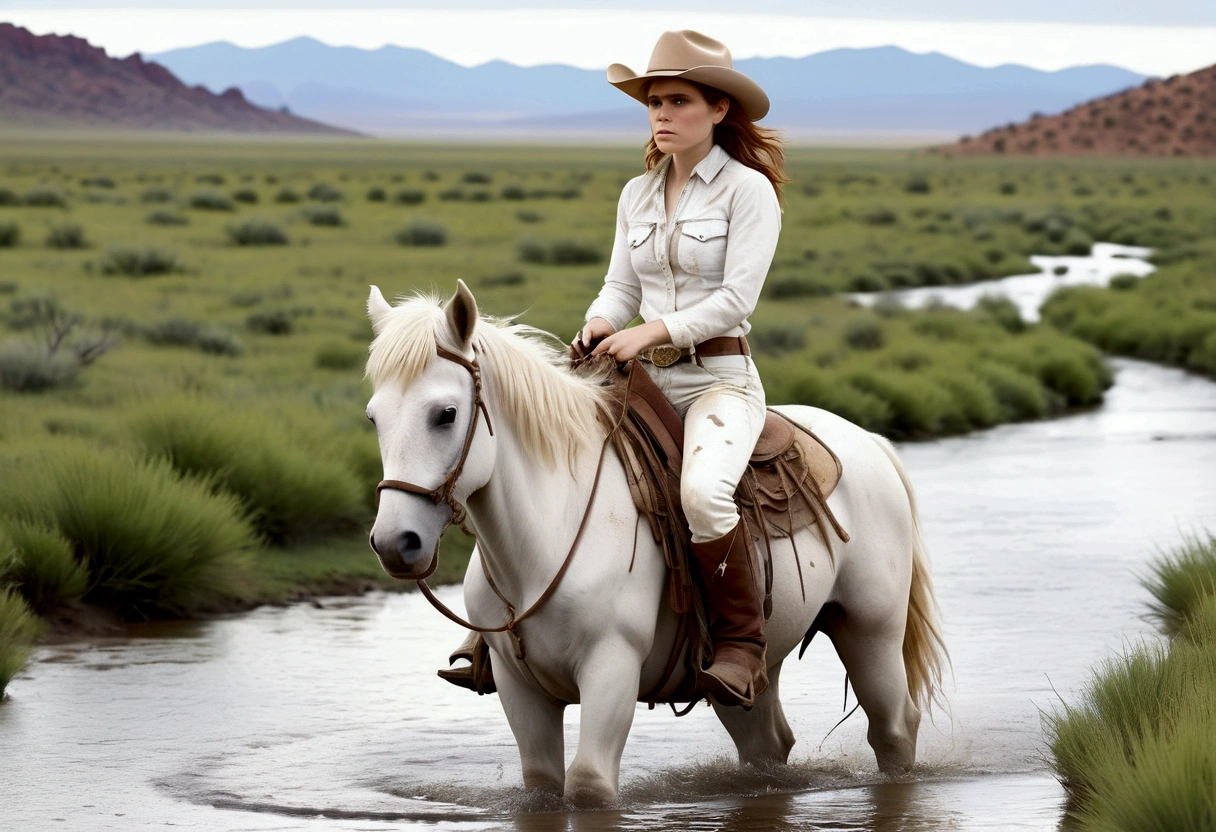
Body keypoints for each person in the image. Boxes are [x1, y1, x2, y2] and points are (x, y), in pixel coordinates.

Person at [442, 29, 786, 709]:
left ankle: (743, 645)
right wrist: (602, 322)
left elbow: (734, 302)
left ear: (719, 110)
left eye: (678, 100)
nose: (661, 113)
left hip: (718, 382)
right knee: (536, 469)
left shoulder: (750, 193)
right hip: (639, 379)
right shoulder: (637, 193)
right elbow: (619, 288)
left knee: (704, 496)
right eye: (654, 101)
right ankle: (497, 629)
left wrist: (651, 332)